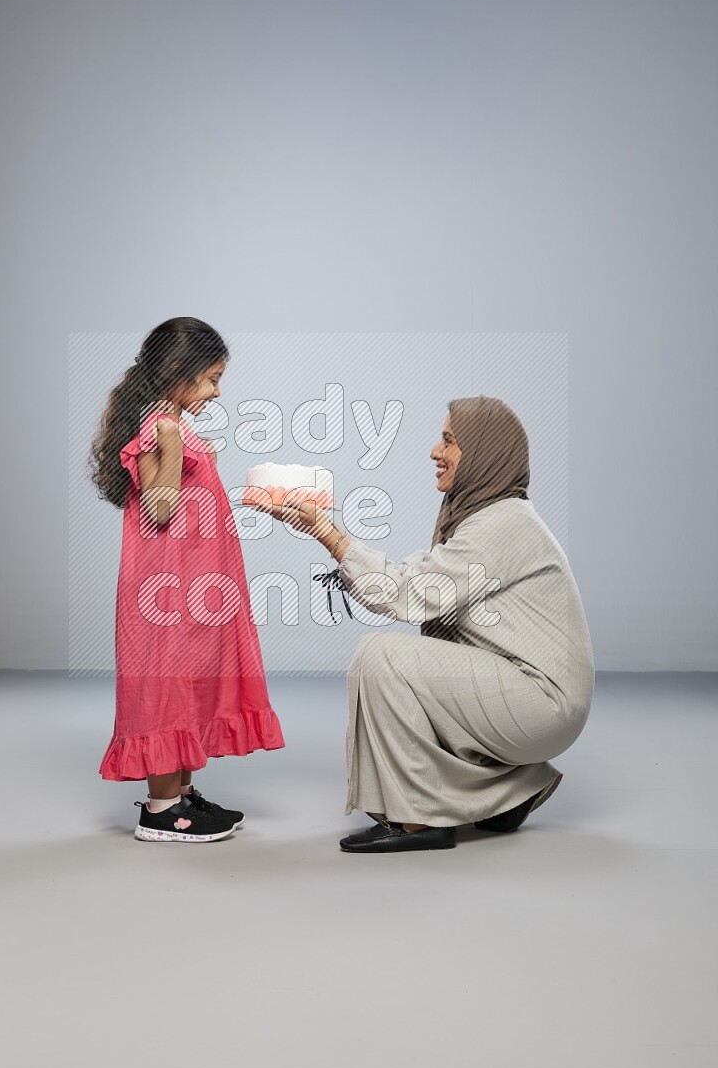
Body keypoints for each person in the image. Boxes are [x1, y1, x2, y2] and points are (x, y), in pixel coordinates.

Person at [248, 395, 594, 854]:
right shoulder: (482, 517)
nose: (435, 450)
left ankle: (418, 819)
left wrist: (329, 535)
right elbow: (419, 578)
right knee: (416, 664)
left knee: (382, 657)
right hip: (531, 692)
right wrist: (330, 535)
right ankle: (503, 797)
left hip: (542, 702)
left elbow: (408, 595)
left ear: (485, 454)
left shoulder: (502, 524)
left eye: (450, 441)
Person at [89, 317, 285, 843]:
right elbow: (159, 505)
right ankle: (160, 811)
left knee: (188, 684)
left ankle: (181, 796)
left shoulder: (167, 418)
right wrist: (176, 445)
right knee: (165, 683)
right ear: (178, 371)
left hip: (192, 584)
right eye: (212, 378)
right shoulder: (159, 425)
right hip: (165, 588)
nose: (218, 391)